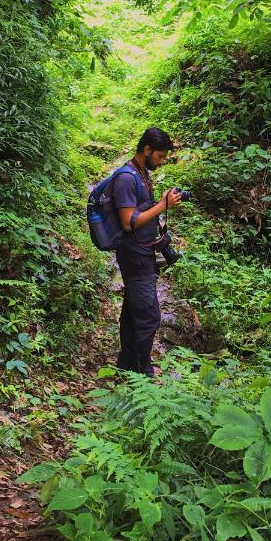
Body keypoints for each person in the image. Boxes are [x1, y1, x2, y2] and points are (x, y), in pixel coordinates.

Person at [111, 126, 182, 376]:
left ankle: (126, 366)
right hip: (134, 256)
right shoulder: (127, 178)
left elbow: (142, 211)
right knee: (149, 317)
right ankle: (143, 374)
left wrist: (160, 203)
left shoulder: (141, 174)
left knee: (133, 313)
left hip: (142, 253)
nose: (162, 162)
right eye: (160, 157)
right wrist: (162, 206)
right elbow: (128, 221)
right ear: (147, 150)